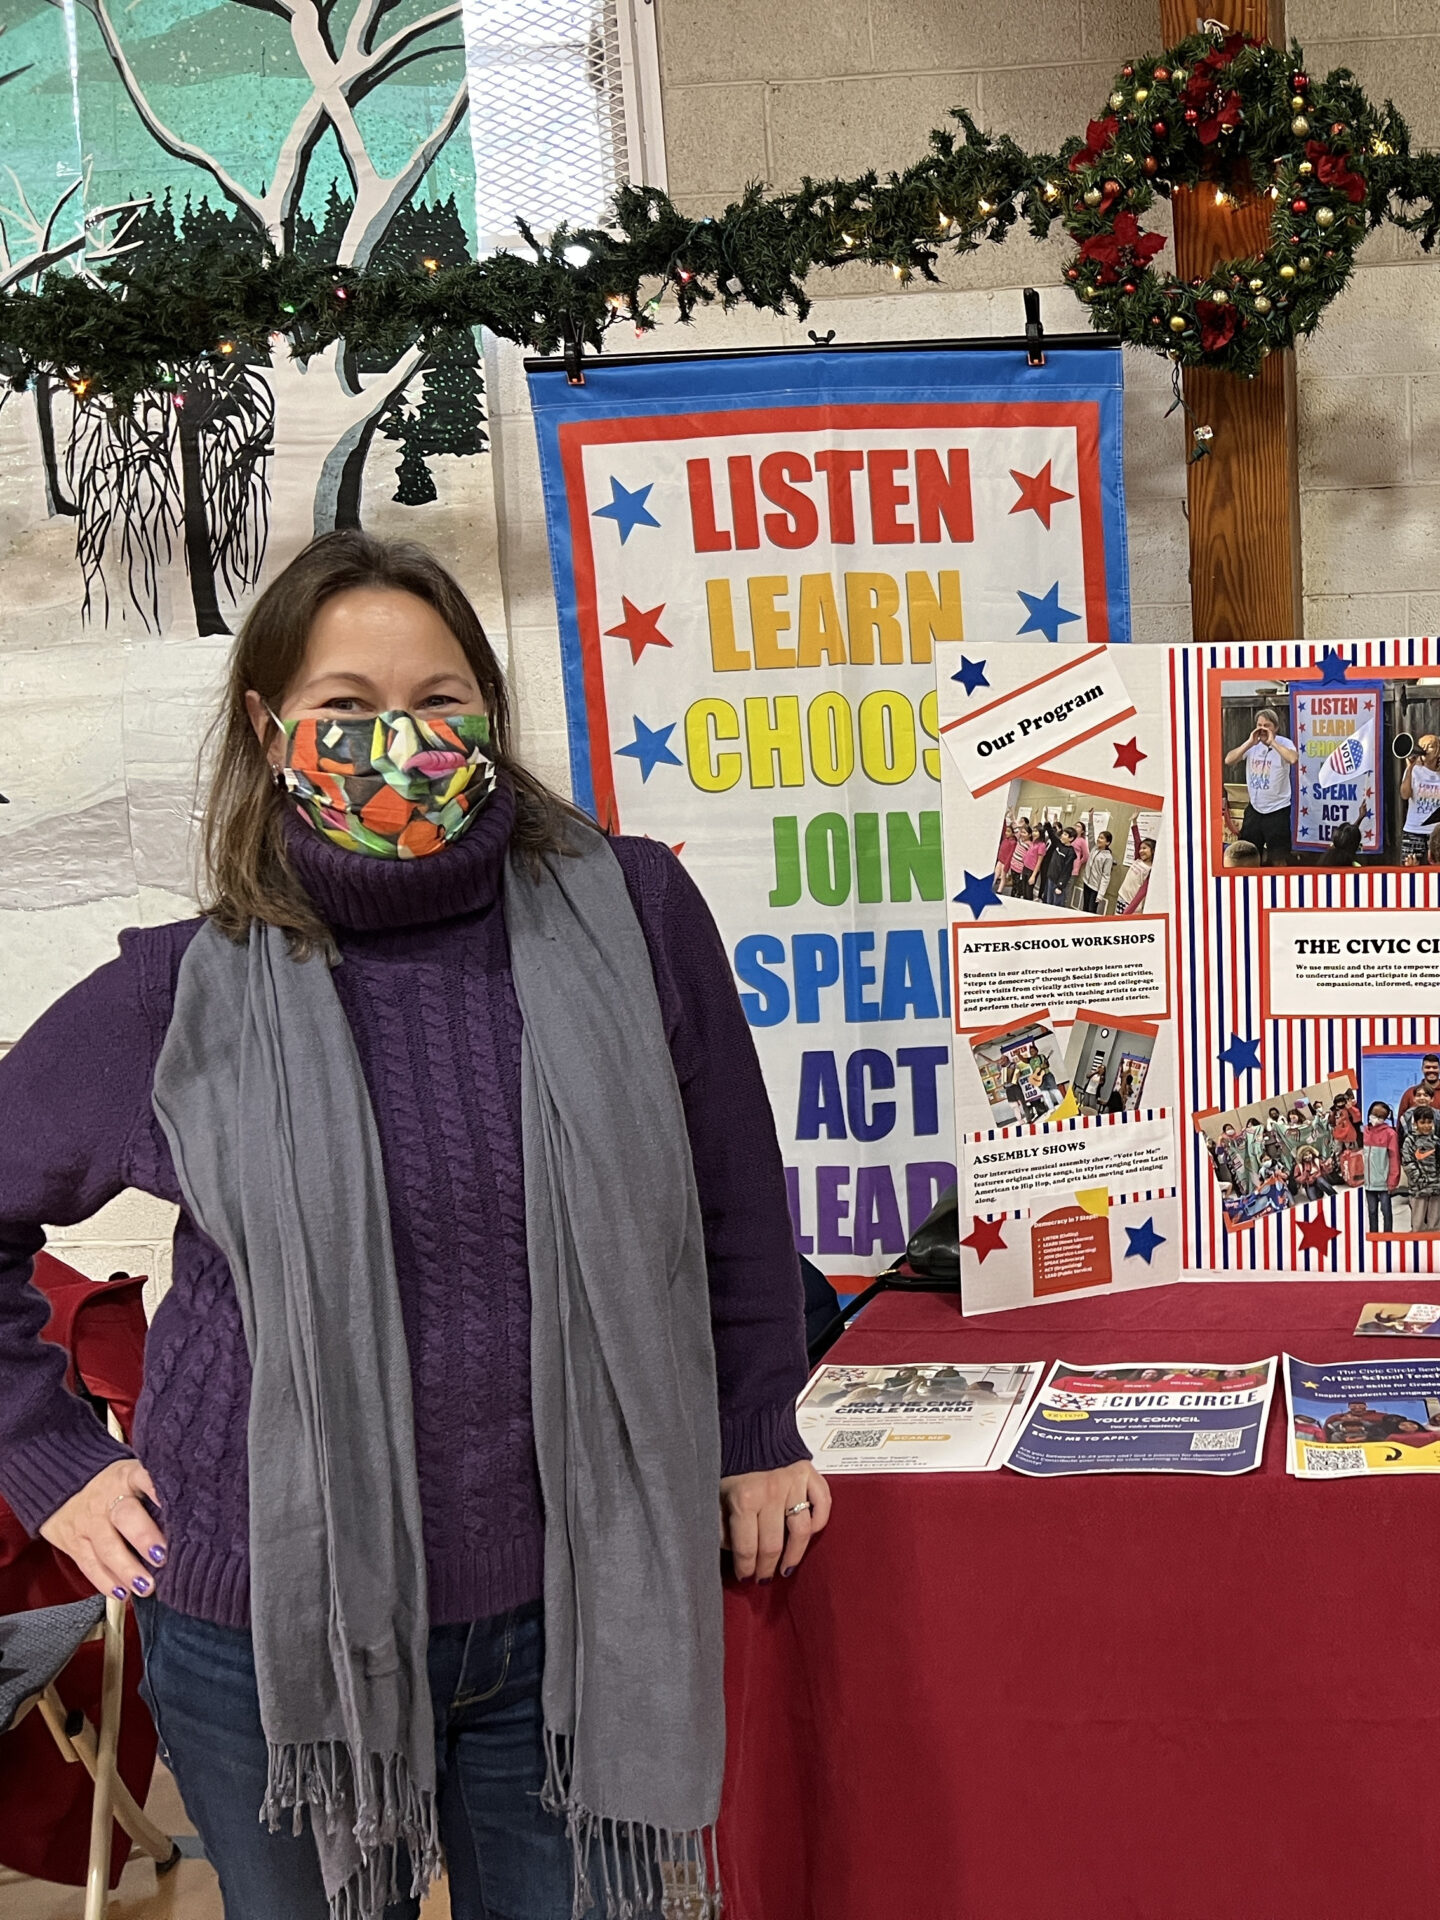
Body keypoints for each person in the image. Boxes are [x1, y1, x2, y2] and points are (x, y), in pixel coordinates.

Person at [0, 531, 829, 1919]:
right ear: (270, 730)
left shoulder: (637, 917)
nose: (401, 741)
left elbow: (731, 1200)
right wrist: (48, 1455)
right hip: (271, 1631)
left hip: (571, 1611)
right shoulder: (180, 996)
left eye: (440, 703)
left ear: (489, 719)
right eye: (346, 709)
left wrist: (756, 1432)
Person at [1225, 706, 1299, 864]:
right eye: (1259, 725)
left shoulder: (1284, 743)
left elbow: (1293, 759)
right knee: (1247, 853)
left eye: (1267, 726)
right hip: (1255, 809)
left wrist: (1273, 742)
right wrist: (1249, 743)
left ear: (1276, 728)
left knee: (1279, 856)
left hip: (1277, 810)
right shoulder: (1252, 745)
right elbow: (1229, 760)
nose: (1262, 729)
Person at [1400, 733, 1440, 862]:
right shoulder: (1414, 771)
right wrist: (1409, 767)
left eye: (1430, 747)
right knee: (1410, 871)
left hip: (1437, 833)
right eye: (1422, 746)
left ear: (1439, 751)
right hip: (1413, 831)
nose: (1425, 750)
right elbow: (1405, 795)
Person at [1358, 1103, 1401, 1233]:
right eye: (1374, 1114)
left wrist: (1392, 1181)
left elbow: (1394, 1159)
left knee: (1386, 1210)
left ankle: (1388, 1236)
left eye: (1381, 1116)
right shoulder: (1363, 1131)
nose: (1376, 1118)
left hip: (1384, 1182)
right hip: (1367, 1183)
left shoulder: (1390, 1134)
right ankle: (1374, 1236)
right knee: (1371, 1211)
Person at [1403, 1126, 1440, 1233]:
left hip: (1435, 1186)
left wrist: (1438, 1180)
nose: (1426, 1125)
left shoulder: (1437, 1140)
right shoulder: (1410, 1140)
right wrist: (1419, 1179)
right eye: (1423, 1122)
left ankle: (1436, 1244)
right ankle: (1416, 1244)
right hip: (1418, 1187)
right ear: (1416, 1123)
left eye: (1429, 1122)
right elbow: (1407, 1162)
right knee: (1417, 1222)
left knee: (1435, 1221)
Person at [1081, 828, 1116, 914]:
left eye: (1102, 838)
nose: (1098, 839)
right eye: (1099, 837)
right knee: (1084, 908)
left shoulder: (1108, 857)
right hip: (1086, 883)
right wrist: (1090, 817)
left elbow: (1106, 876)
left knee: (1091, 911)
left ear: (1107, 843)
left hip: (1095, 888)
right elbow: (1091, 836)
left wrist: (1100, 894)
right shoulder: (1094, 849)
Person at [1116, 835, 1153, 916]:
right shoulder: (1138, 859)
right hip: (1122, 897)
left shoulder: (1150, 870)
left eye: (1144, 848)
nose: (1140, 851)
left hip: (1131, 905)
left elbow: (1142, 893)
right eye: (1140, 848)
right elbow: (1137, 841)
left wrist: (1129, 910)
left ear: (1153, 850)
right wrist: (1134, 822)